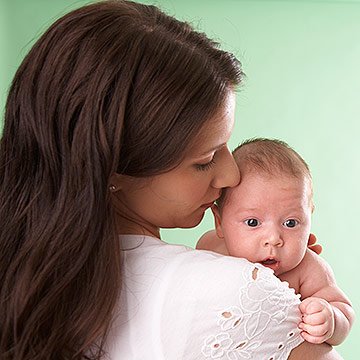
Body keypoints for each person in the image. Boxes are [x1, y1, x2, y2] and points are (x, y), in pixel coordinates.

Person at [0, 1, 343, 359]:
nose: (231, 175)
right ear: (115, 171)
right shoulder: (237, 294)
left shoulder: (25, 288)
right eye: (206, 159)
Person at [197, 138, 355, 347]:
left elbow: (343, 308)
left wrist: (331, 320)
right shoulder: (210, 249)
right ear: (220, 222)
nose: (273, 238)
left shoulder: (308, 269)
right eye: (253, 222)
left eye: (291, 223)